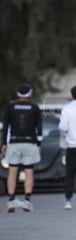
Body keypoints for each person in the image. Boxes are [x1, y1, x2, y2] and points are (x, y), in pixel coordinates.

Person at [1, 84, 42, 212]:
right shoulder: (34, 108)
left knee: (12, 172)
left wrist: (3, 143)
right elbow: (39, 127)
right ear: (30, 94)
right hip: (30, 143)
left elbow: (6, 126)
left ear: (18, 94)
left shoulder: (10, 107)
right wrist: (39, 144)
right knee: (29, 172)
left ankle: (11, 200)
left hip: (14, 142)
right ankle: (27, 201)